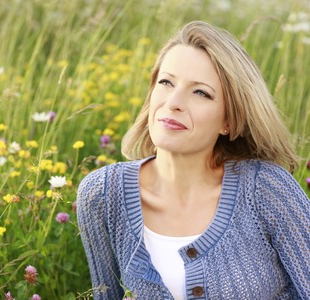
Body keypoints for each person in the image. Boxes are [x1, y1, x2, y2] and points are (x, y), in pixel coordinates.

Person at [76, 20, 310, 299]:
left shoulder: (268, 190)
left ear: (229, 121)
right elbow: (106, 294)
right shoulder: (102, 195)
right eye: (166, 82)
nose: (173, 102)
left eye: (200, 92)